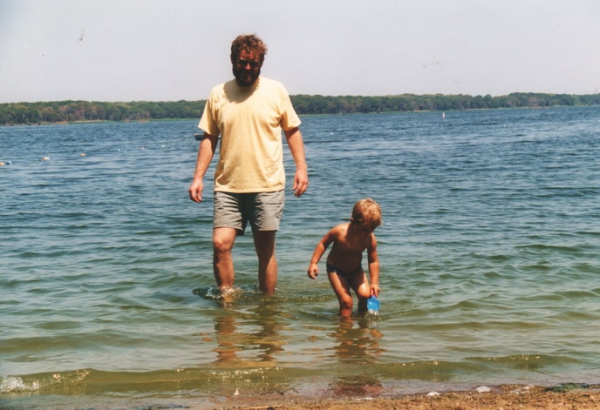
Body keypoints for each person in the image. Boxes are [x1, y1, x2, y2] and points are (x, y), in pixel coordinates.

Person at [188, 34, 308, 296]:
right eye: (242, 62)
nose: (247, 68)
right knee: (220, 244)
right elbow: (209, 137)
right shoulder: (218, 93)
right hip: (228, 185)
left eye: (253, 63)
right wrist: (198, 177)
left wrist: (302, 168)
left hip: (267, 184)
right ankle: (227, 304)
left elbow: (292, 131)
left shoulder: (275, 90)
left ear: (261, 63)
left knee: (265, 251)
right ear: (233, 59)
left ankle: (267, 309)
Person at [307, 198, 382, 317]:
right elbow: (323, 244)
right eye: (365, 229)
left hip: (356, 270)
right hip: (336, 271)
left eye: (373, 229)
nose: (369, 233)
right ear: (353, 222)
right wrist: (314, 263)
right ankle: (344, 330)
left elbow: (373, 261)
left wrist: (374, 283)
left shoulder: (370, 239)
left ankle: (363, 322)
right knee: (346, 302)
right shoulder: (339, 231)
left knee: (365, 296)